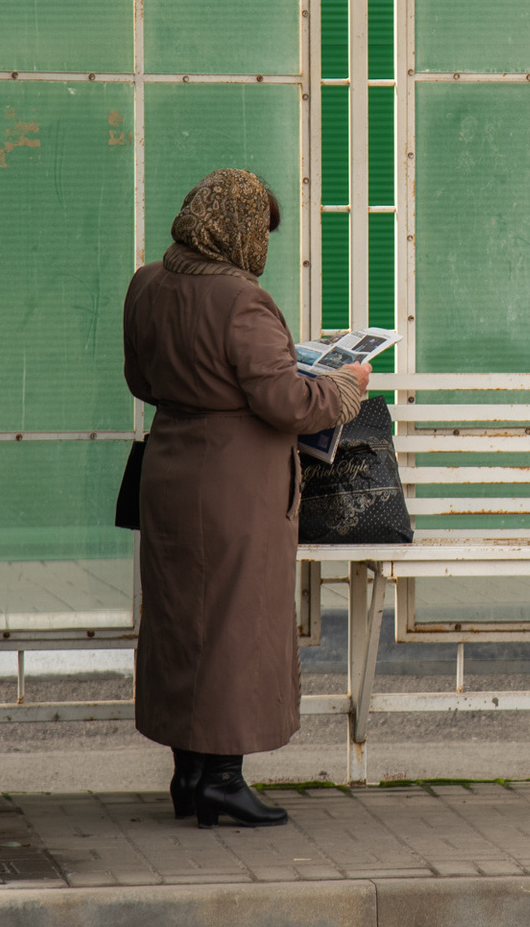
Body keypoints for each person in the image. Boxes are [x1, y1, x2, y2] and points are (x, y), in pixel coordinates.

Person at [122, 169, 370, 829]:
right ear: (239, 229)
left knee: (182, 626)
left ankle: (190, 778)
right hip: (234, 490)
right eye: (261, 229)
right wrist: (345, 387)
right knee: (233, 628)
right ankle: (224, 781)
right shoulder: (242, 302)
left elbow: (140, 379)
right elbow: (286, 402)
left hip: (170, 474)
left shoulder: (147, 284)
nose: (263, 243)